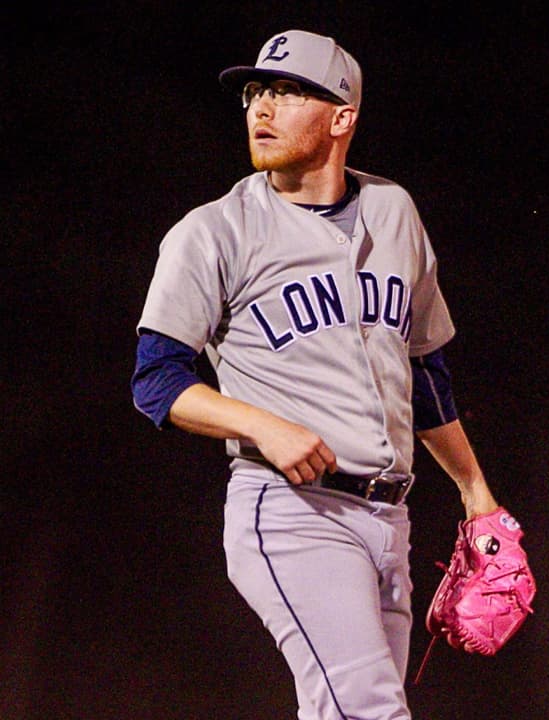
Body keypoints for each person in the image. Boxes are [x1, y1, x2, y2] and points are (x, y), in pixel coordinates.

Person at [131, 30, 501, 719]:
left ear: (342, 117)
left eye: (287, 91)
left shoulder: (393, 211)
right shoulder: (214, 232)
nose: (262, 108)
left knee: (346, 711)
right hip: (291, 511)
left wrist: (477, 494)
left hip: (390, 519)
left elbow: (422, 370)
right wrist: (262, 426)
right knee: (369, 711)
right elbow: (156, 381)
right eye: (255, 92)